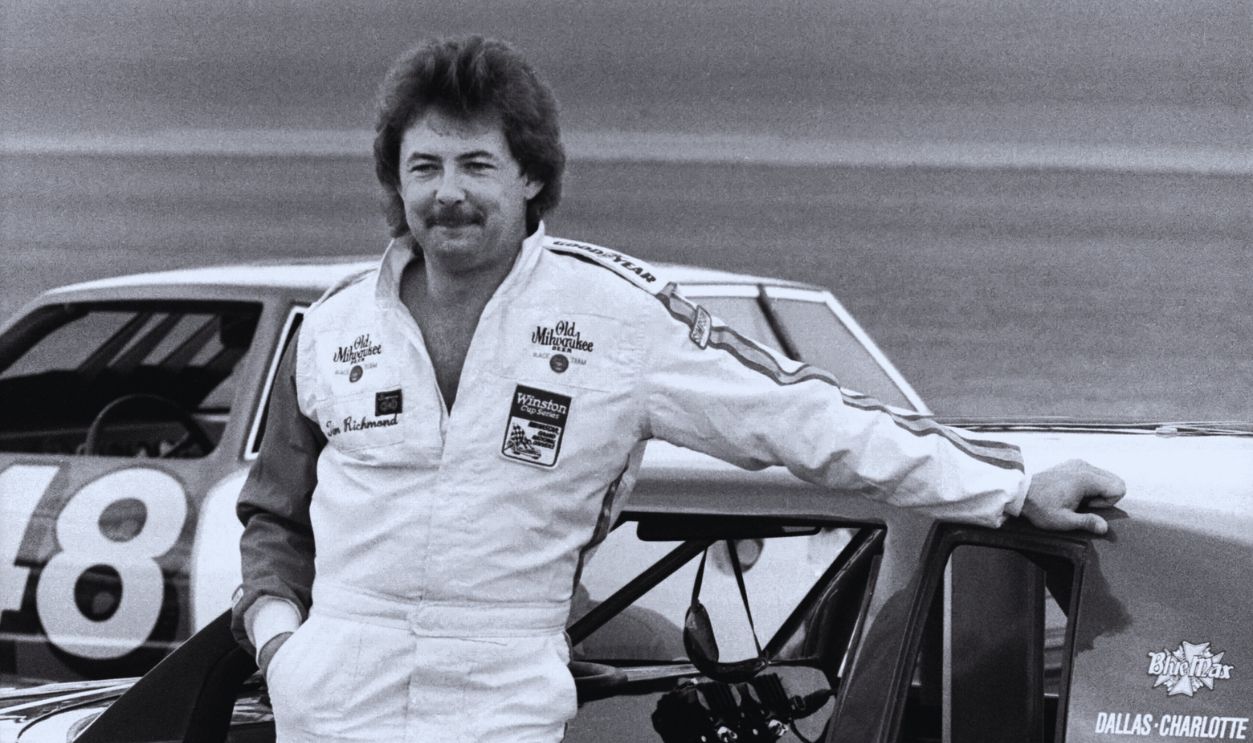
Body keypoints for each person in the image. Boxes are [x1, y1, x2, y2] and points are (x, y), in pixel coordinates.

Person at [231, 35, 1125, 743]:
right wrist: (280, 647)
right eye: (424, 167)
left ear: (531, 174)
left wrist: (1009, 484)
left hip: (496, 711)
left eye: (476, 164)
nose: (448, 194)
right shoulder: (333, 326)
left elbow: (802, 415)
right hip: (326, 712)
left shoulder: (616, 319)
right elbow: (273, 516)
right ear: (394, 179)